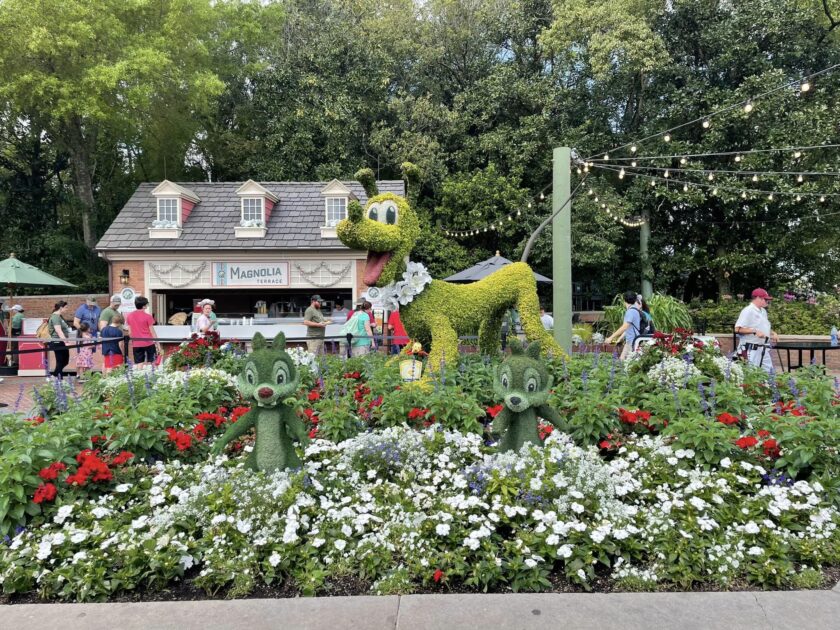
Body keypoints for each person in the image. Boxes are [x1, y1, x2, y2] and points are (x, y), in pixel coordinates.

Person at [735, 288, 778, 373]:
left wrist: (773, 333)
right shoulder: (748, 310)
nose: (767, 302)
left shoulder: (763, 311)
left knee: (770, 374)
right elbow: (737, 329)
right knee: (751, 375)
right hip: (751, 349)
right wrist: (754, 331)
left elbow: (763, 327)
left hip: (763, 348)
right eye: (766, 299)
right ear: (758, 298)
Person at [605, 291, 642, 360]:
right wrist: (620, 338)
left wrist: (611, 337)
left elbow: (625, 327)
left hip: (632, 342)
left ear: (624, 300)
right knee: (622, 361)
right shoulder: (634, 310)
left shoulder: (631, 311)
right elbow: (630, 327)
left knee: (625, 364)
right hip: (631, 341)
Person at [125, 296, 158, 366]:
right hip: (149, 342)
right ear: (144, 306)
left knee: (139, 363)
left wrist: (134, 341)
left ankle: (140, 376)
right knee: (152, 362)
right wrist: (158, 344)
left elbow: (130, 332)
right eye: (146, 304)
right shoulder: (148, 316)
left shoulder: (129, 316)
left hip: (137, 342)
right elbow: (152, 331)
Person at [47, 301, 71, 379]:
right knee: (60, 360)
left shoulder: (59, 316)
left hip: (61, 342)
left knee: (65, 360)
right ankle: (59, 379)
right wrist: (66, 341)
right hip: (57, 341)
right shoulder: (55, 317)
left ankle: (54, 375)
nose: (67, 309)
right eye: (66, 307)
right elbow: (58, 330)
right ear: (61, 308)